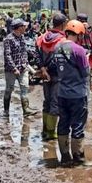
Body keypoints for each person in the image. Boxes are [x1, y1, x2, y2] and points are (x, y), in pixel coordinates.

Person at [50, 19, 92, 167]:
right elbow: (85, 72)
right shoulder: (79, 50)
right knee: (78, 125)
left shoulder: (57, 48)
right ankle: (79, 158)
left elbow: (55, 68)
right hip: (78, 94)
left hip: (62, 93)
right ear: (79, 34)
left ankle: (65, 157)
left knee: (63, 123)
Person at [37, 13, 68, 141]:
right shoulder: (62, 40)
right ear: (62, 24)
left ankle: (44, 130)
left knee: (47, 101)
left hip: (44, 74)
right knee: (55, 103)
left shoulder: (43, 37)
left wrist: (43, 69)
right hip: (56, 75)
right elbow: (60, 59)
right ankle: (51, 132)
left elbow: (37, 55)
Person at [3, 19, 38, 117]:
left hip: (23, 68)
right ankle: (6, 110)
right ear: (19, 28)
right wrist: (14, 68)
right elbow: (7, 55)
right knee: (9, 89)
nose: (25, 28)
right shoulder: (8, 39)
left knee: (24, 88)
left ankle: (26, 110)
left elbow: (25, 50)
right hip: (11, 70)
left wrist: (36, 54)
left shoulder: (22, 37)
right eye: (24, 26)